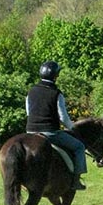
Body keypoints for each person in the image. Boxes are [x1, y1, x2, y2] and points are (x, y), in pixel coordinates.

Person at [26, 61, 87, 191]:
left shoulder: (31, 91)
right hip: (50, 133)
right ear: (55, 76)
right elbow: (63, 117)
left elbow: (28, 112)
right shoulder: (56, 93)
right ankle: (76, 180)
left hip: (30, 132)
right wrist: (72, 128)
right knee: (79, 147)